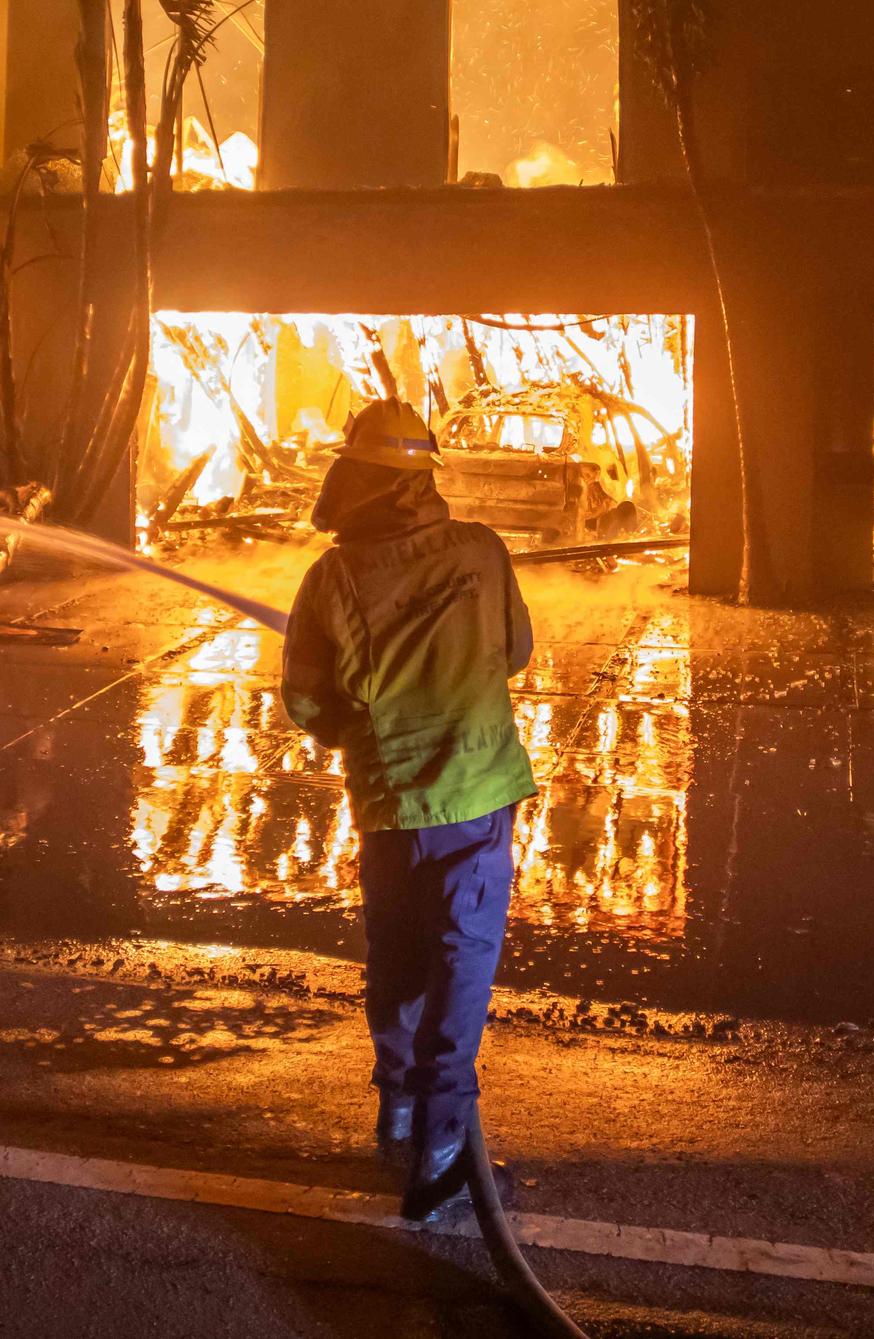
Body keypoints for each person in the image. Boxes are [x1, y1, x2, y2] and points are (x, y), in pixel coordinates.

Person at [279, 397, 536, 1221]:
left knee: (394, 956)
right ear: (422, 476)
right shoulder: (483, 550)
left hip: (389, 809)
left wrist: (369, 720)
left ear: (356, 473)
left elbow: (306, 707)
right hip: (477, 803)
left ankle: (395, 1103)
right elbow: (518, 651)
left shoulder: (330, 578)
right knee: (461, 958)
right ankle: (441, 1137)